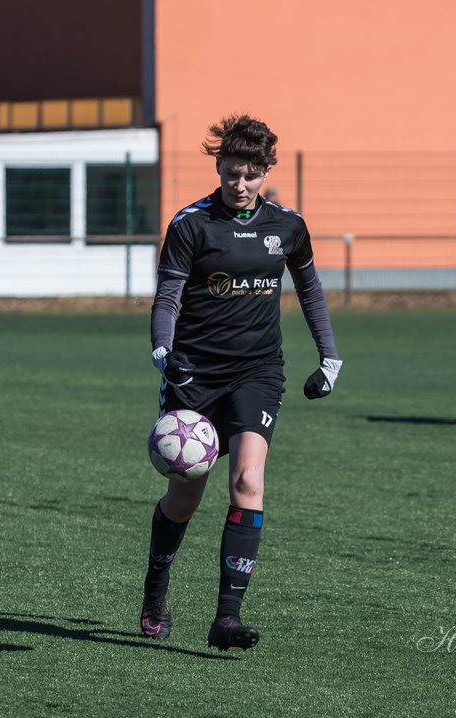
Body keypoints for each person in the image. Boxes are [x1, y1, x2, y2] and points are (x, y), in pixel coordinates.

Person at [141, 115, 341, 651]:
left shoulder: (288, 227)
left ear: (265, 172)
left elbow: (312, 293)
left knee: (249, 483)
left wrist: (329, 359)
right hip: (195, 376)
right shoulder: (191, 224)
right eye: (231, 173)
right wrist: (166, 354)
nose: (240, 184)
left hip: (258, 373)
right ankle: (156, 589)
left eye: (250, 175)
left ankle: (226, 618)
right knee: (184, 500)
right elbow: (167, 300)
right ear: (219, 168)